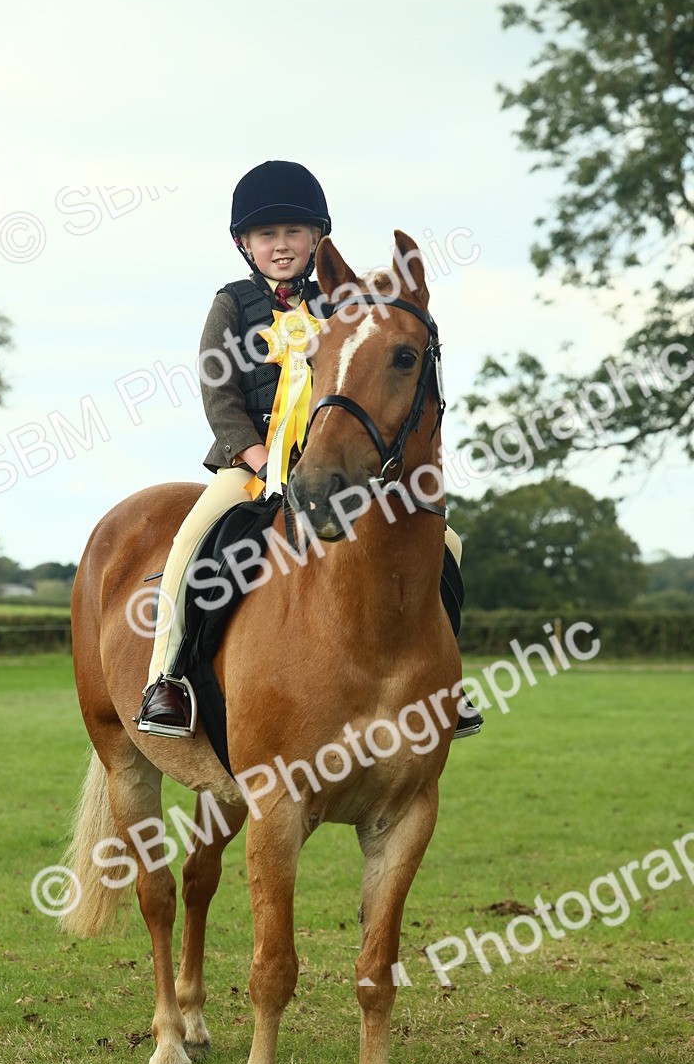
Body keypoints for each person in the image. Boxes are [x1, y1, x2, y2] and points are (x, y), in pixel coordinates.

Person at [135, 160, 482, 740]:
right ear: (245, 243)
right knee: (189, 546)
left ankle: (441, 681)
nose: (280, 246)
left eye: (293, 233)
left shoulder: (342, 304)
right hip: (248, 465)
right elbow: (217, 392)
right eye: (266, 235)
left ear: (317, 238)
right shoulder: (233, 304)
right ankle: (167, 680)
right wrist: (250, 451)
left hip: (332, 463)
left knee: (444, 541)